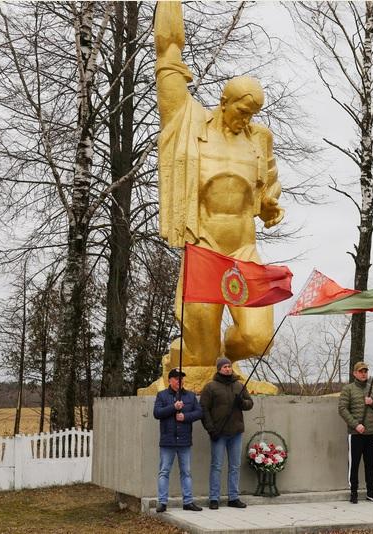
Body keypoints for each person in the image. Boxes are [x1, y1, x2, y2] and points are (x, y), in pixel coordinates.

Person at [153, 1, 285, 382]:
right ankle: (202, 356)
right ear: (223, 102)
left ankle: (223, 355)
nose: (246, 119)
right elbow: (167, 57)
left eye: (252, 113)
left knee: (258, 339)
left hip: (243, 250)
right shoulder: (189, 120)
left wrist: (270, 207)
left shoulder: (259, 139)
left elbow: (267, 190)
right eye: (241, 110)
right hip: (205, 249)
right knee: (201, 358)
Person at [200, 357, 254, 509]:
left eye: (229, 366)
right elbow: (204, 409)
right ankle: (214, 498)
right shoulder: (210, 387)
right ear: (218, 369)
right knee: (216, 465)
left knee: (234, 466)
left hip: (236, 432)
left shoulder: (239, 385)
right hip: (218, 433)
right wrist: (210, 429)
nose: (228, 369)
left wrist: (242, 403)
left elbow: (250, 403)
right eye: (224, 367)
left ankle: (233, 497)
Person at [153, 369, 203, 513]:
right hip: (167, 441)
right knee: (164, 472)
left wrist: (185, 417)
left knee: (186, 472)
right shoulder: (162, 395)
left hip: (184, 441)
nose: (179, 381)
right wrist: (173, 407)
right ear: (169, 380)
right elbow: (157, 413)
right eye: (176, 378)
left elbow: (199, 413)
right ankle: (162, 502)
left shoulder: (190, 396)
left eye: (181, 378)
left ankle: (188, 502)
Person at [338, 361, 373, 503]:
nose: (363, 373)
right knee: (354, 464)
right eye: (361, 371)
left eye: (365, 371)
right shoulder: (348, 389)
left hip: (371, 433)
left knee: (371, 464)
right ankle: (353, 493)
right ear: (355, 373)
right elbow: (342, 409)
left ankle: (370, 492)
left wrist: (372, 402)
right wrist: (355, 425)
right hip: (356, 434)